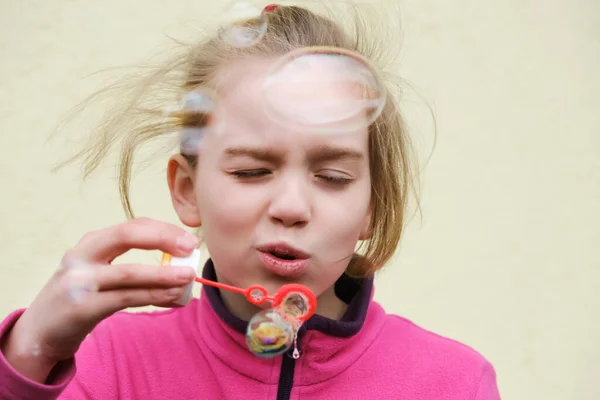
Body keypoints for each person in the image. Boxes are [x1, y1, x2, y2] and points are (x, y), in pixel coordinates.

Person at [0, 4, 501, 399]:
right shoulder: (104, 364)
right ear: (187, 191)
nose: (291, 206)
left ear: (373, 203)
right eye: (251, 171)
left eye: (331, 176)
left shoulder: (453, 383)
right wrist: (26, 355)